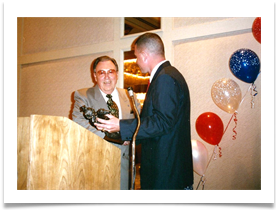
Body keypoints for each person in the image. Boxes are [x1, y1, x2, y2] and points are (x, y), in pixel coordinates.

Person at [95, 33, 194, 190]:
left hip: (166, 174)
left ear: (144, 55)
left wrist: (121, 125)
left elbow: (162, 122)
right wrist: (133, 137)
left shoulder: (164, 78)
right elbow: (162, 124)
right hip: (172, 171)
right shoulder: (170, 74)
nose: (136, 61)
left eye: (136, 56)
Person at [72, 55, 141, 190]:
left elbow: (141, 123)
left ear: (117, 74)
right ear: (94, 76)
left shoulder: (129, 96)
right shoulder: (83, 96)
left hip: (125, 168)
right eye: (101, 73)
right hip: (96, 166)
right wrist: (116, 138)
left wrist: (131, 137)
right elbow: (79, 123)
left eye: (111, 72)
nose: (107, 77)